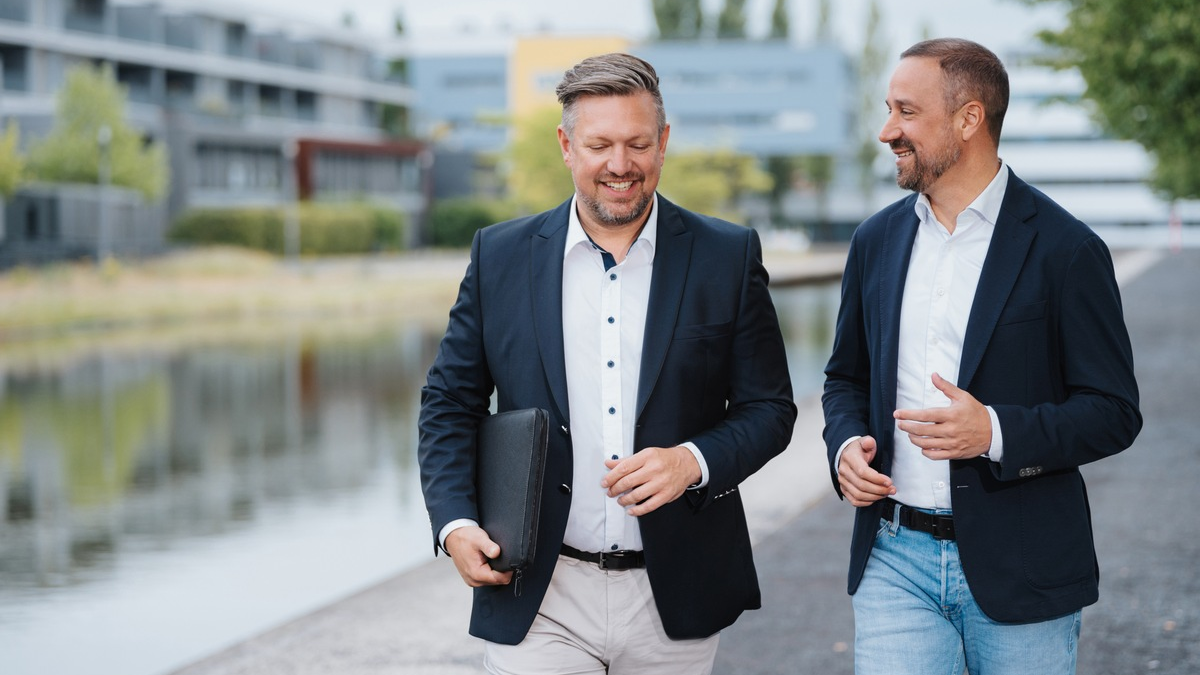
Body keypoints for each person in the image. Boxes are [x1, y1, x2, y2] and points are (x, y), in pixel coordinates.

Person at [418, 52, 797, 674]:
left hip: (674, 596)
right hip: (540, 595)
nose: (620, 166)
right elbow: (449, 404)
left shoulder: (726, 256)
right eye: (600, 145)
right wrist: (455, 522)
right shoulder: (500, 256)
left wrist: (692, 462)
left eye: (637, 144)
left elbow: (770, 409)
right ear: (567, 146)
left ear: (664, 143)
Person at [822, 38, 1142, 675]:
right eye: (889, 109)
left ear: (969, 119)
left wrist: (992, 431)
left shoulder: (1067, 250)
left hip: (1024, 565)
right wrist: (846, 443)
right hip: (894, 559)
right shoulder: (875, 241)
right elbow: (843, 377)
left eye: (906, 112)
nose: (887, 131)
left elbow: (1112, 412)